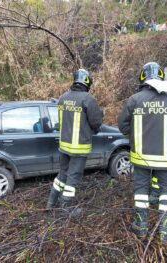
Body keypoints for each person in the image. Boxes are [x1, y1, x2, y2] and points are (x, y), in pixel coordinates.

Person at [118, 62, 167, 243]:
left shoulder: (134, 100)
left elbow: (122, 126)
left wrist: (136, 133)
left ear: (142, 78)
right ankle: (166, 232)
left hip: (141, 158)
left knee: (141, 191)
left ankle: (141, 227)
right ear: (160, 76)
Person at [46, 69, 103, 217]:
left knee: (62, 174)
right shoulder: (88, 99)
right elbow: (96, 122)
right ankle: (66, 208)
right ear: (87, 82)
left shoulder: (63, 97)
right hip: (79, 147)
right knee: (73, 177)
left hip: (64, 146)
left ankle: (51, 203)